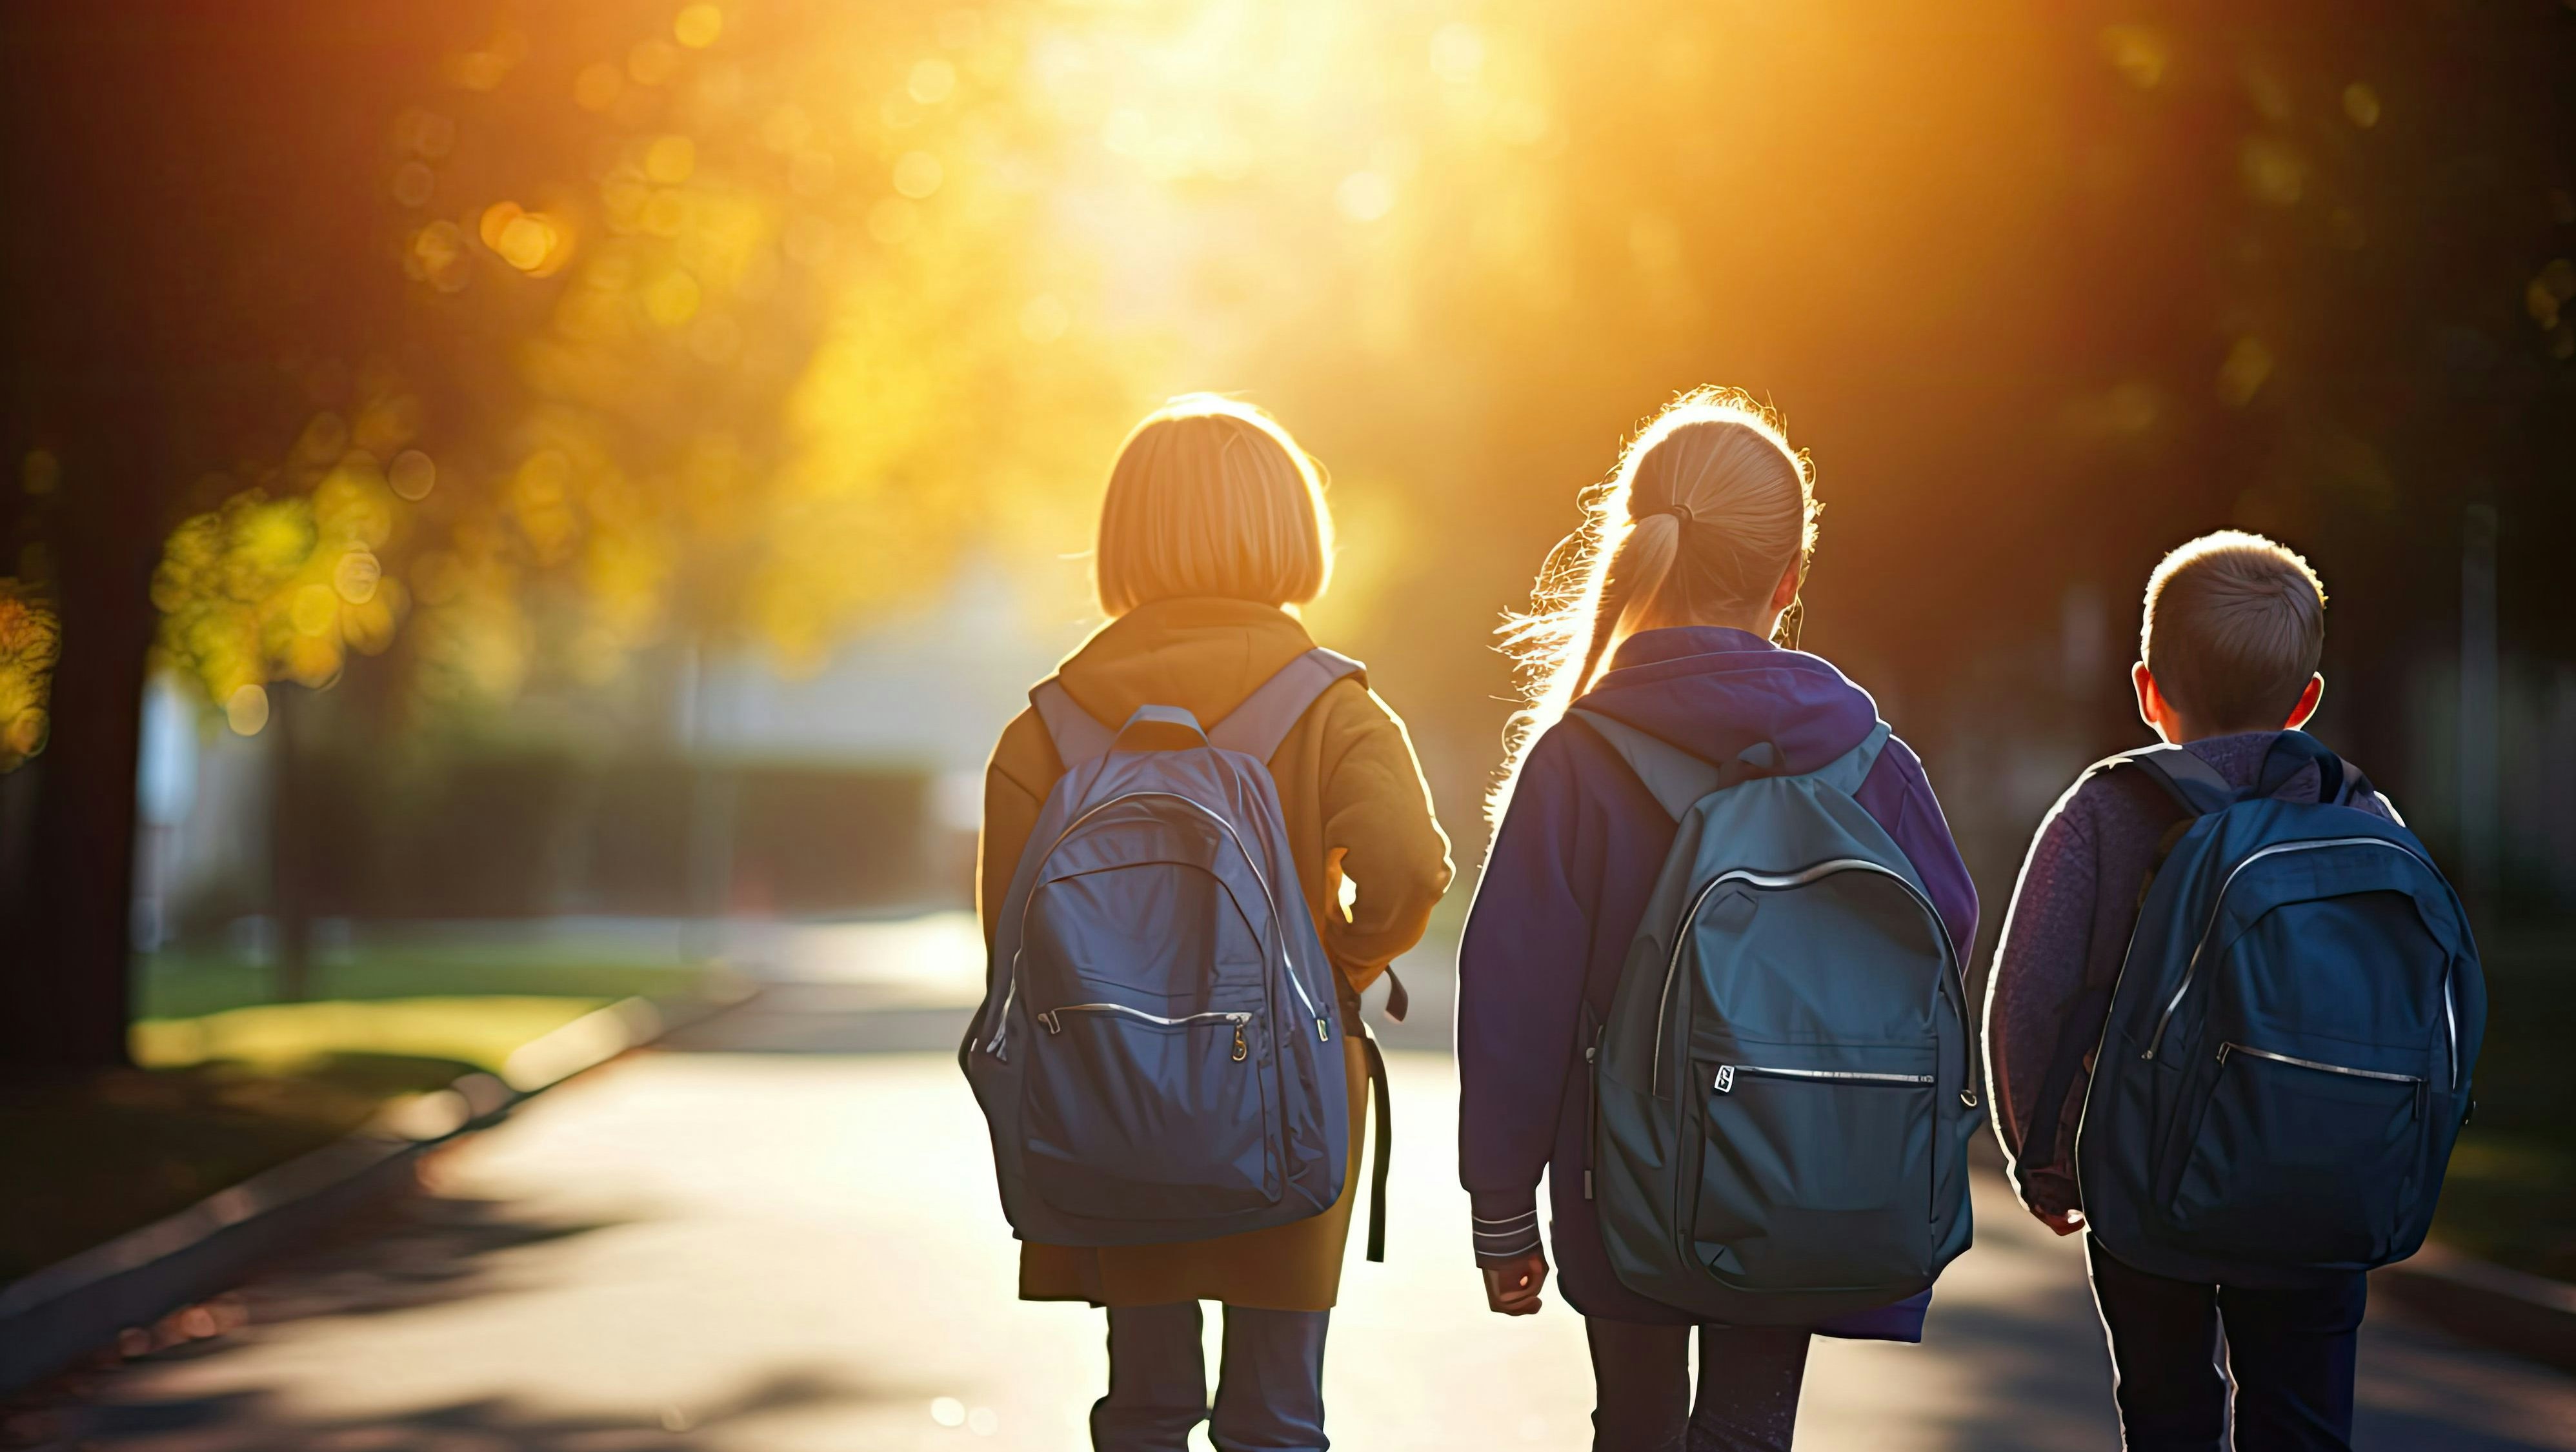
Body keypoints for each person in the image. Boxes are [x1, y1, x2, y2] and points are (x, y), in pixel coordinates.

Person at [1456, 388, 1978, 1452]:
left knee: (1637, 1423)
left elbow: (1514, 995)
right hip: (1802, 1165)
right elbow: (1950, 927)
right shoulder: (1869, 759)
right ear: (1789, 580)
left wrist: (1501, 1205)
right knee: (1749, 1426)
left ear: (1638, 553)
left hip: (1619, 1179)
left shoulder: (1581, 757)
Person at [979, 394, 1453, 1452]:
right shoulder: (1334, 708)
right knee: (1277, 1414)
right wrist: (1340, 962)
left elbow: (1009, 951)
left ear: (1125, 536)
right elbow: (1412, 867)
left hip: (1110, 1094)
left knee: (1144, 1406)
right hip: (1286, 1094)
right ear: (1292, 528)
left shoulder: (1045, 728)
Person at [1984, 530, 2394, 1451]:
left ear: (2147, 689)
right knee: (2305, 1422)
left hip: (2143, 1182)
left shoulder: (2103, 809)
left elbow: (2032, 994)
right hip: (2316, 1187)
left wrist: (2043, 1157)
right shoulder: (2359, 814)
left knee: (2167, 1414)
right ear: (2306, 700)